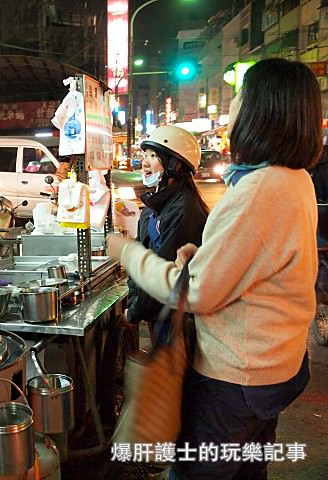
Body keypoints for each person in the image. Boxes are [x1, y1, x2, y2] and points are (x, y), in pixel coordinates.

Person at [107, 58, 320, 479]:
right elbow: (259, 264)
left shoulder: (260, 189)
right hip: (277, 365)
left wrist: (126, 252)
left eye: (241, 96)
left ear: (262, 111)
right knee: (246, 470)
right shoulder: (294, 180)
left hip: (236, 377)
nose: (234, 106)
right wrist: (201, 254)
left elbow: (196, 293)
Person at [125, 125, 208, 340]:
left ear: (175, 164)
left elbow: (160, 271)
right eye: (145, 155)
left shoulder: (184, 210)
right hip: (160, 313)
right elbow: (140, 256)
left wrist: (134, 312)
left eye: (153, 156)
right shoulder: (155, 206)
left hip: (175, 317)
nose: (144, 162)